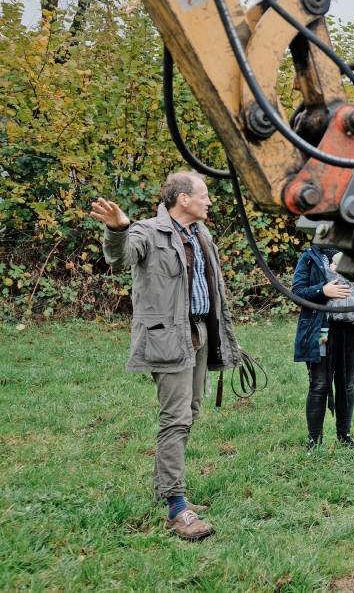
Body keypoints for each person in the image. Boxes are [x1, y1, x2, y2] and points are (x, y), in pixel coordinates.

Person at [90, 172, 241, 541]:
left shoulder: (201, 235)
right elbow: (119, 256)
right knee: (175, 419)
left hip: (200, 334)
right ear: (183, 199)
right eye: (203, 196)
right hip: (167, 338)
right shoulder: (146, 231)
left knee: (189, 413)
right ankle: (176, 507)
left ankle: (166, 489)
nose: (209, 202)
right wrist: (117, 229)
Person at [292, 246, 354, 455]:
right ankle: (314, 441)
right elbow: (296, 292)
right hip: (320, 330)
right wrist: (323, 291)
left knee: (346, 385)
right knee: (319, 385)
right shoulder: (310, 257)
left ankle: (344, 437)